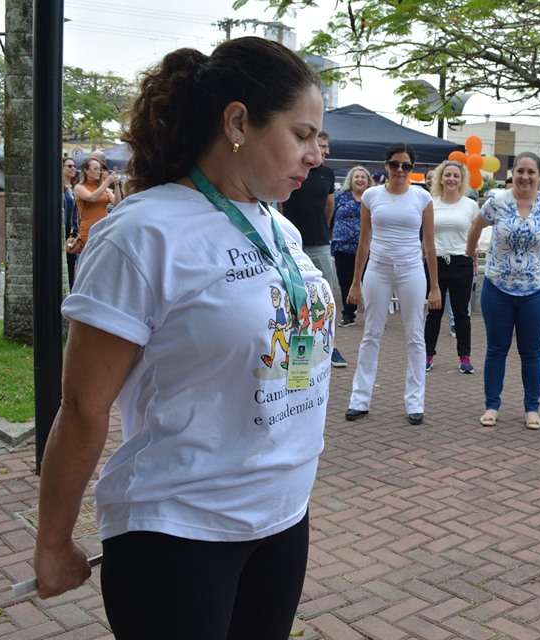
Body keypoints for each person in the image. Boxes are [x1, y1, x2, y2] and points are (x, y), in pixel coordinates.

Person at [33, 37, 332, 639]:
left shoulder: (278, 226)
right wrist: (53, 542)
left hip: (281, 518)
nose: (316, 155)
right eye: (301, 135)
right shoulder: (142, 234)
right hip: (179, 530)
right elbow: (84, 407)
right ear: (238, 122)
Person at [345, 142, 441, 426]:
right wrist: (355, 283)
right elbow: (364, 241)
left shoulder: (422, 198)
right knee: (371, 334)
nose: (400, 170)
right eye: (395, 164)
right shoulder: (371, 196)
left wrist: (434, 286)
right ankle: (359, 400)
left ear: (412, 169)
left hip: (411, 269)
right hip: (378, 269)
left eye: (407, 166)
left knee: (415, 334)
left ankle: (415, 403)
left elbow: (430, 244)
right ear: (386, 165)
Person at [466, 151, 540, 430]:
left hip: (536, 291)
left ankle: (532, 408)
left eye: (531, 172)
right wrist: (470, 253)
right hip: (497, 288)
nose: (525, 177)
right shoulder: (498, 201)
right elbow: (476, 226)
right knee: (496, 349)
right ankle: (492, 405)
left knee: (531, 351)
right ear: (513, 173)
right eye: (520, 170)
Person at [281, 131, 347, 368]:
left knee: (325, 296)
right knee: (292, 296)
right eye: (321, 145)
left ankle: (331, 345)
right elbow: (280, 205)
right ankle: (295, 349)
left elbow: (330, 207)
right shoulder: (293, 167)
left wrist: (323, 229)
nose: (325, 150)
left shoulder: (328, 174)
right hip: (291, 245)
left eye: (327, 146)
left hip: (320, 243)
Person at [424, 160, 479, 374]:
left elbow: (473, 239)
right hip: (435, 262)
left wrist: (474, 263)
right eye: (448, 175)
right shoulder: (430, 202)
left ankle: (464, 356)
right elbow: (425, 238)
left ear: (462, 180)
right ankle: (428, 355)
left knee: (461, 313)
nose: (451, 179)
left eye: (456, 175)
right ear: (440, 178)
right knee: (434, 311)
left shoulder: (470, 205)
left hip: (461, 263)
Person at [331, 166, 371, 327]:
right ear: (350, 180)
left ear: (368, 181)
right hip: (343, 245)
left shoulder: (372, 198)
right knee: (346, 281)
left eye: (363, 177)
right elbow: (330, 215)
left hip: (368, 246)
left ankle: (373, 315)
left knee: (369, 282)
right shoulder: (339, 196)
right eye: (356, 177)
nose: (360, 179)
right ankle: (348, 314)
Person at [73, 156, 122, 273]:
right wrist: (106, 182)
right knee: (88, 264)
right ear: (86, 170)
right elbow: (92, 197)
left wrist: (115, 185)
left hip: (104, 228)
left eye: (99, 169)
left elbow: (118, 204)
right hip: (88, 230)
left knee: (101, 264)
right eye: (95, 169)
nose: (98, 172)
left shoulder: (103, 187)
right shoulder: (79, 187)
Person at [62, 157, 78, 289]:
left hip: (72, 231)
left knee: (71, 260)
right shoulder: (59, 188)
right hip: (62, 229)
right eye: (69, 166)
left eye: (74, 166)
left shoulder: (75, 188)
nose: (73, 168)